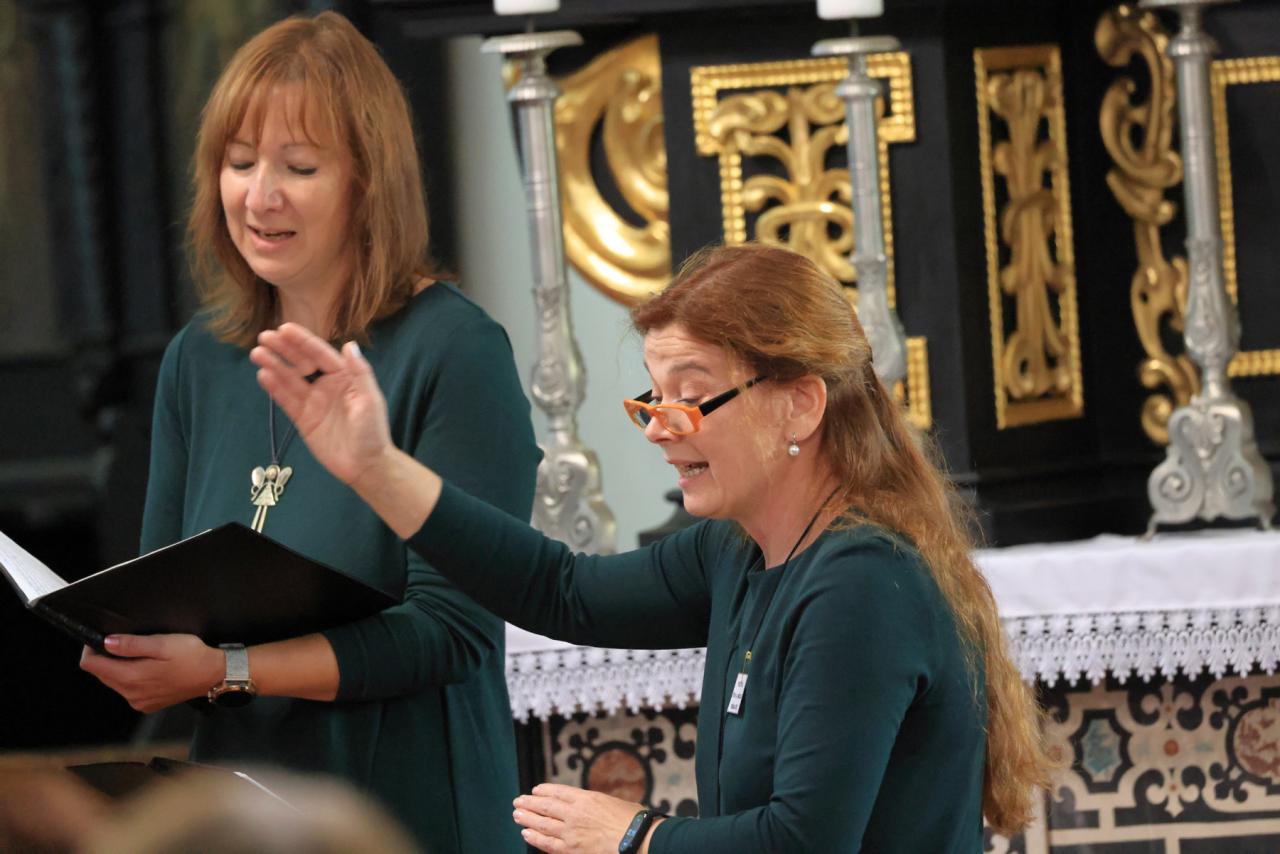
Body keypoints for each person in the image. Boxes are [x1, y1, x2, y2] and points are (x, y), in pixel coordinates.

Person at [251, 242, 1052, 853]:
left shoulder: (863, 582)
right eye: (653, 399)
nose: (661, 430)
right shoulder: (736, 552)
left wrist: (635, 836)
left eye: (692, 398)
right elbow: (561, 590)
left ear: (800, 405)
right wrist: (376, 468)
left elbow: (805, 841)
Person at [78, 12, 539, 853]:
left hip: (407, 811)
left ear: (369, 182)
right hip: (241, 810)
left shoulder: (454, 350)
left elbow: (452, 632)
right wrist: (137, 652)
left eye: (299, 167)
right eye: (239, 162)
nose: (261, 196)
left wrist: (229, 669)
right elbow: (161, 595)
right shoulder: (198, 359)